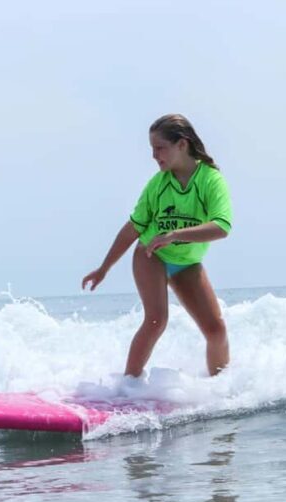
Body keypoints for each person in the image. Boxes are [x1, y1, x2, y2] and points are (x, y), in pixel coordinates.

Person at [82, 114, 233, 377]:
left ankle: (219, 388)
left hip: (187, 262)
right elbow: (133, 228)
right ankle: (128, 386)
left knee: (216, 330)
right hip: (151, 255)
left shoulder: (210, 180)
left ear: (182, 145)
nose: (154, 155)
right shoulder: (158, 184)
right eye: (152, 149)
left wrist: (175, 234)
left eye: (160, 148)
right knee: (156, 320)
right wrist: (104, 268)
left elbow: (221, 227)